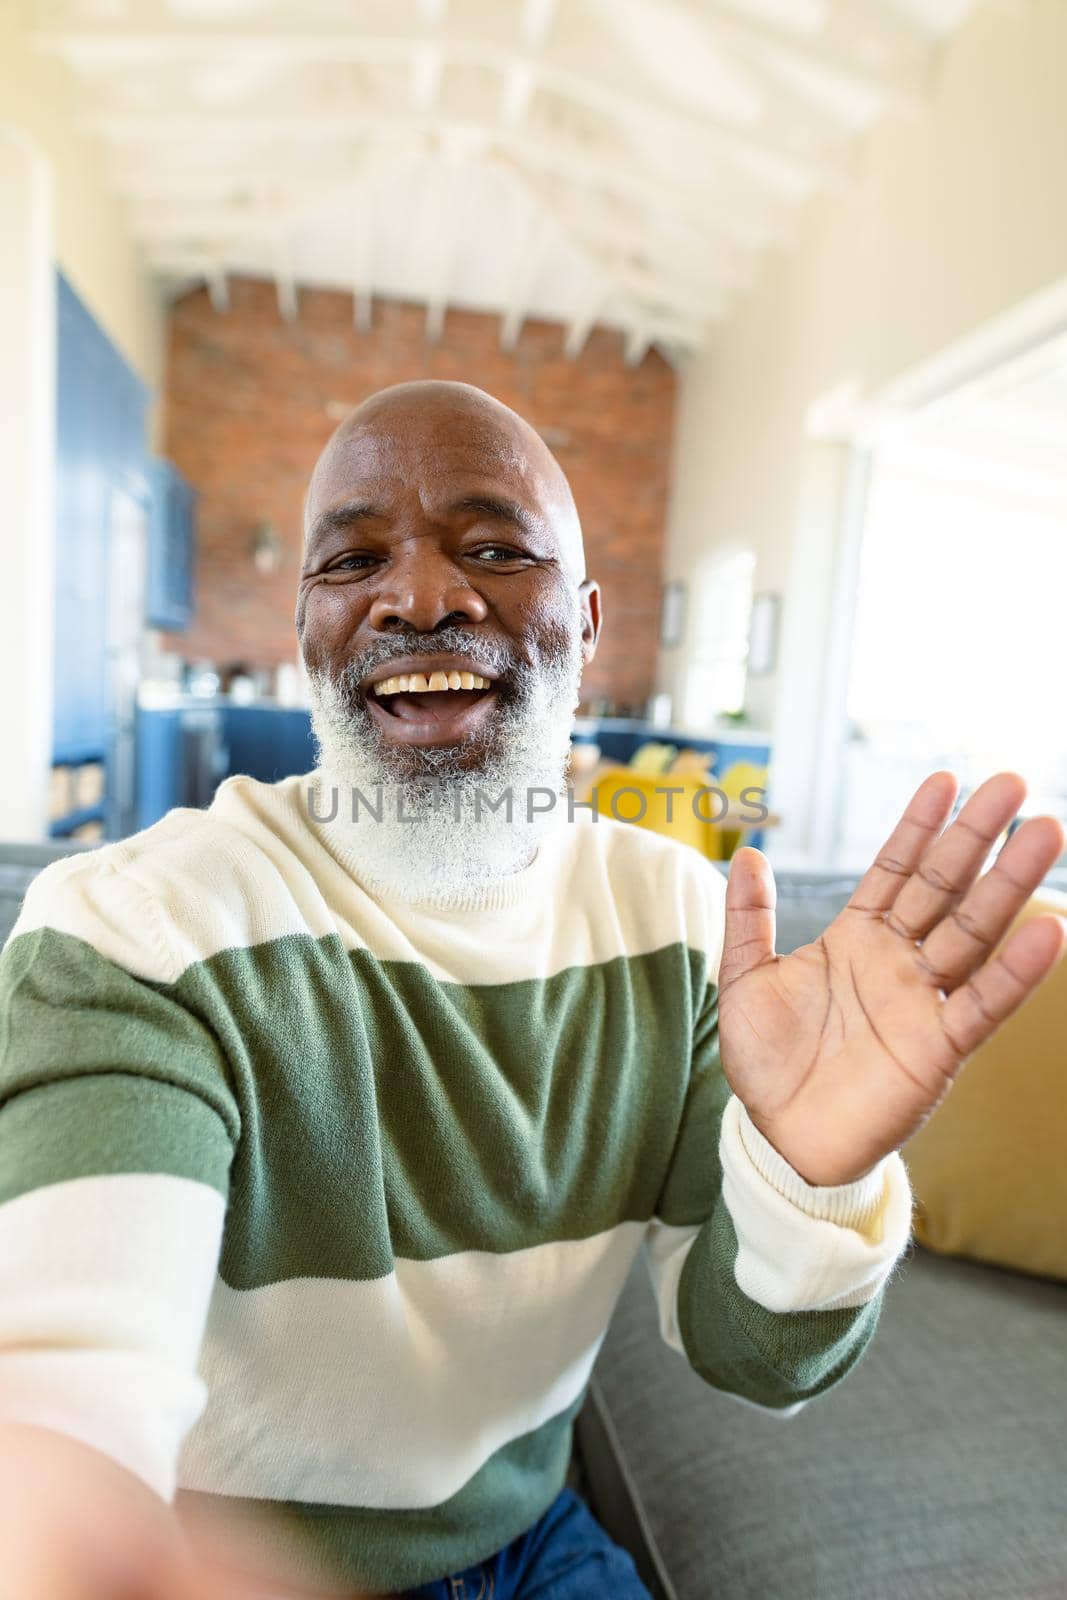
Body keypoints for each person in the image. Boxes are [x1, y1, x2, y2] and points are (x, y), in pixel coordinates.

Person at [0, 380, 1063, 1600]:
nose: (420, 596)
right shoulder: (139, 931)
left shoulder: (686, 929)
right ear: (308, 625)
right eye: (353, 560)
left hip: (526, 1547)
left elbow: (756, 1359)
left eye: (495, 549)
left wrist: (808, 1175)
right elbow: (65, 1402)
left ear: (586, 621)